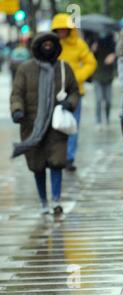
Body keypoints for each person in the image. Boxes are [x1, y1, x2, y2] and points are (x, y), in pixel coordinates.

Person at [10, 32, 80, 215]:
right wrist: (17, 110)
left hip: (56, 125)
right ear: (37, 47)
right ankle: (43, 202)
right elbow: (17, 93)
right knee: (37, 165)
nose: (47, 46)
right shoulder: (25, 69)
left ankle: (56, 200)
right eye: (44, 43)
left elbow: (74, 91)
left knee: (57, 162)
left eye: (51, 43)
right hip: (32, 126)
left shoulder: (64, 68)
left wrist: (70, 103)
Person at [51, 13, 97, 172]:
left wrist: (77, 78)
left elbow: (91, 63)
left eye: (65, 29)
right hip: (53, 92)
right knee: (54, 126)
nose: (62, 32)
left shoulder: (79, 44)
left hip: (75, 92)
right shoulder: (51, 44)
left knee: (72, 125)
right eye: (59, 30)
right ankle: (57, 156)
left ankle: (69, 158)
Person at [91, 32, 116, 128]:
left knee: (108, 101)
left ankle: (107, 119)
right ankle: (98, 121)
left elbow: (119, 53)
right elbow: (87, 58)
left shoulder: (112, 42)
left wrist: (114, 55)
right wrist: (92, 50)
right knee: (99, 99)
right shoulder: (93, 40)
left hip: (108, 76)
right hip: (97, 75)